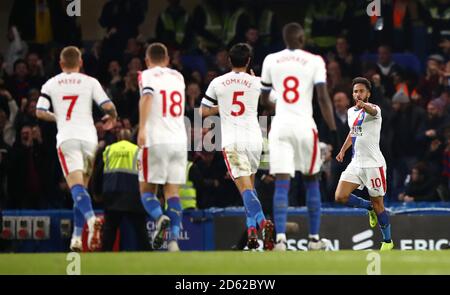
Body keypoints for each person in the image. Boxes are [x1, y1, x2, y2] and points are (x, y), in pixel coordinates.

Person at [260, 23, 339, 251]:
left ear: (285, 39)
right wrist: (333, 130)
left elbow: (264, 99)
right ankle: (314, 239)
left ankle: (281, 240)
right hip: (305, 126)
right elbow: (323, 98)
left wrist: (279, 104)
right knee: (312, 179)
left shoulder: (271, 60)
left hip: (281, 127)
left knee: (282, 183)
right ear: (302, 38)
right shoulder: (315, 61)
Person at [35, 46, 118, 251]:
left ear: (61, 64)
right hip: (89, 139)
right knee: (82, 190)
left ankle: (90, 220)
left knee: (76, 188)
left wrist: (57, 117)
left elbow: (39, 111)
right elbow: (108, 107)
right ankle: (77, 238)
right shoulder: (91, 82)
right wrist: (112, 118)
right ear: (80, 63)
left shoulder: (51, 83)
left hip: (68, 138)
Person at [200, 43, 275, 250]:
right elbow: (273, 103)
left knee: (245, 190)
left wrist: (220, 107)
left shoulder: (218, 82)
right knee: (249, 188)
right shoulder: (257, 82)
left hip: (233, 142)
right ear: (249, 61)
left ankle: (262, 223)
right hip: (254, 140)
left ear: (229, 61)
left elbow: (202, 112)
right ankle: (251, 233)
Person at [137, 43, 187, 252]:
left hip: (156, 139)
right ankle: (173, 242)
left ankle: (159, 217)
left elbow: (147, 97)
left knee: (147, 190)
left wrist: (141, 128)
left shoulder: (146, 75)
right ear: (167, 59)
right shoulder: (178, 77)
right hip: (179, 141)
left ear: (147, 60)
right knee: (173, 194)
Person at [335, 77, 393, 251]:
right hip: (356, 163)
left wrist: (364, 105)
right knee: (340, 197)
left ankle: (388, 241)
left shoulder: (374, 109)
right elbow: (354, 132)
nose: (358, 94)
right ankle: (368, 207)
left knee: (379, 204)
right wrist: (343, 150)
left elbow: (373, 111)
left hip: (374, 165)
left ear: (368, 93)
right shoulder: (351, 111)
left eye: (361, 91)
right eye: (355, 91)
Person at [91, 128, 150, 251]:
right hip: (133, 195)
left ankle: (104, 257)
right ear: (130, 139)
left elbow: (97, 173)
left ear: (118, 138)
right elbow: (147, 174)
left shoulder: (109, 150)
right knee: (141, 231)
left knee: (109, 231)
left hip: (112, 194)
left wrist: (96, 192)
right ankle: (148, 254)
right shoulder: (137, 151)